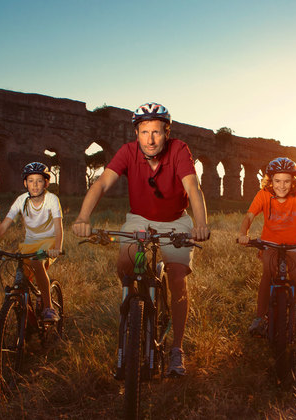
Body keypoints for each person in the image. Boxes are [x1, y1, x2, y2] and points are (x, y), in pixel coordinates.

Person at [71, 102, 210, 377]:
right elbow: (100, 184)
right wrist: (83, 217)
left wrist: (202, 224)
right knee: (127, 263)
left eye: (156, 132)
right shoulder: (127, 152)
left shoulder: (180, 150)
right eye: (144, 132)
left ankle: (176, 350)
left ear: (166, 132)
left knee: (177, 277)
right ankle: (134, 312)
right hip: (139, 219)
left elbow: (193, 188)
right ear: (137, 133)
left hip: (176, 220)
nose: (150, 139)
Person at [237, 157, 296, 337]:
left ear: (293, 182)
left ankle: (295, 305)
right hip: (270, 243)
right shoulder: (263, 194)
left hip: (294, 243)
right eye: (277, 181)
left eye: (287, 181)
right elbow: (249, 217)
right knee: (267, 274)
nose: (282, 185)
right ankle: (259, 318)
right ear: (270, 181)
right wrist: (243, 234)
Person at [0, 162, 63, 322]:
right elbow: (4, 226)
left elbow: (59, 226)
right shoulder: (21, 200)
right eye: (30, 180)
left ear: (46, 183)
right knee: (20, 282)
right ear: (25, 183)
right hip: (28, 245)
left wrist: (57, 247)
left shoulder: (52, 199)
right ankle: (27, 321)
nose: (35, 184)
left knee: (37, 263)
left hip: (48, 244)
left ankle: (49, 308)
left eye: (39, 180)